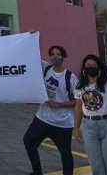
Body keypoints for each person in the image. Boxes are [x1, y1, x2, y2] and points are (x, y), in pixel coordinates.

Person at [23, 45, 78, 175]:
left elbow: (77, 100)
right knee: (28, 141)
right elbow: (32, 56)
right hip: (42, 118)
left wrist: (59, 105)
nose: (55, 56)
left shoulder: (70, 77)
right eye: (52, 54)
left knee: (65, 153)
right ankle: (37, 172)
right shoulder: (46, 68)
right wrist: (31, 38)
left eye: (58, 54)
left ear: (63, 57)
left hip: (62, 123)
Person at [73, 49, 107, 175]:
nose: (90, 68)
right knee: (96, 166)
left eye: (94, 66)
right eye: (88, 66)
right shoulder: (80, 86)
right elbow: (78, 108)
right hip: (88, 127)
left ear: (99, 68)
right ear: (83, 69)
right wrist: (76, 128)